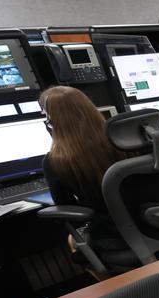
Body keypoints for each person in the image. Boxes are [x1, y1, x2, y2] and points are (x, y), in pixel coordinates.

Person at [38, 85, 127, 247]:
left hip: (113, 234)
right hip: (158, 221)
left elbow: (66, 209)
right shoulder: (125, 139)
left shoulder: (55, 161)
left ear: (51, 122)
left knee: (73, 241)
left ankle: (115, 273)